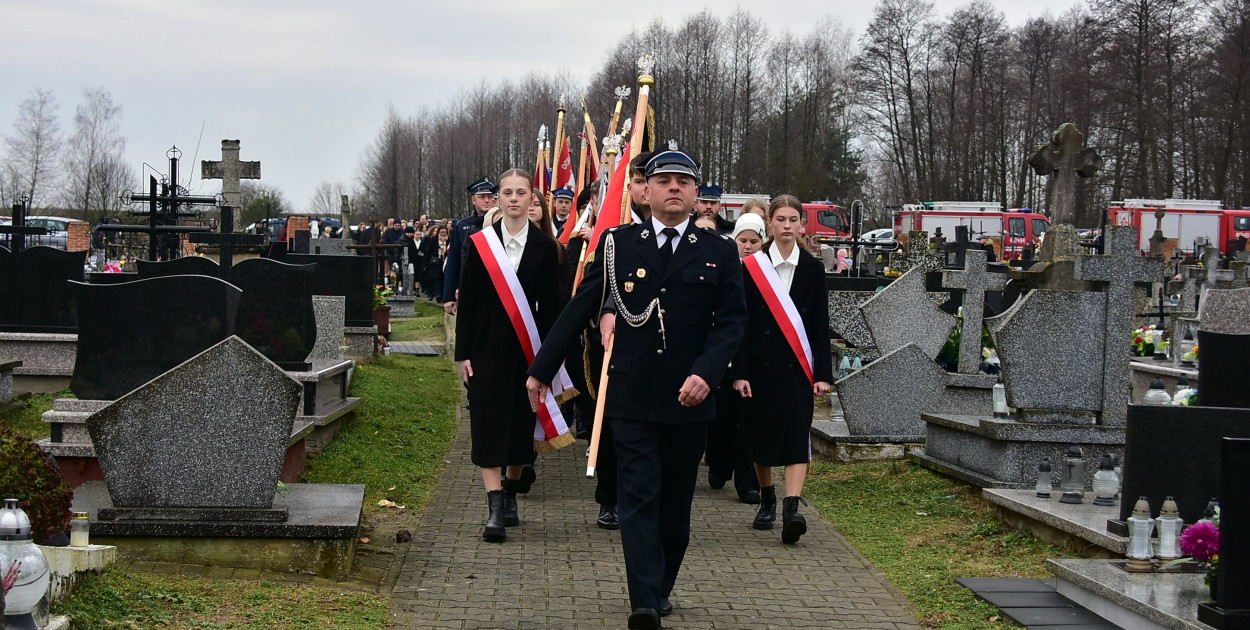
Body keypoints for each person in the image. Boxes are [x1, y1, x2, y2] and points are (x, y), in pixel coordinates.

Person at [527, 144, 746, 629]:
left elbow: (731, 323)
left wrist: (707, 374)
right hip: (632, 395)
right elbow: (580, 307)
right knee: (638, 498)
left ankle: (661, 584)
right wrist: (541, 370)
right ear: (644, 190)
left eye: (683, 182)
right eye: (663, 180)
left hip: (691, 399)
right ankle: (643, 600)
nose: (673, 188)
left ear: (696, 194)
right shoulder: (616, 244)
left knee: (675, 508)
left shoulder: (720, 251)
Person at [456, 169, 564, 543]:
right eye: (507, 192)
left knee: (520, 424)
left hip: (527, 350)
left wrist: (548, 362)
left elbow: (552, 309)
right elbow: (467, 301)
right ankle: (494, 507)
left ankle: (513, 490)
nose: (514, 199)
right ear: (498, 199)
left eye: (521, 193)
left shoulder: (546, 248)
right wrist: (462, 354)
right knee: (487, 423)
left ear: (533, 199)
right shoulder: (479, 243)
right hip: (485, 348)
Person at [732, 195, 833, 545]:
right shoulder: (752, 267)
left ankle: (792, 507)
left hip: (798, 369)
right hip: (760, 367)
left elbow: (821, 323)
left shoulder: (813, 268)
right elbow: (740, 323)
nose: (787, 225)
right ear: (769, 224)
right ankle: (767, 497)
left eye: (793, 219)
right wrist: (739, 372)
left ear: (801, 224)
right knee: (761, 436)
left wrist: (823, 373)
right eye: (780, 219)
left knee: (795, 435)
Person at [705, 213, 767, 505]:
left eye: (754, 241)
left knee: (750, 424)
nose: (748, 246)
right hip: (722, 358)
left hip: (751, 359)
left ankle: (748, 482)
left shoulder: (766, 274)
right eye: (743, 240)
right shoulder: (724, 267)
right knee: (721, 421)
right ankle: (718, 467)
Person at [443, 177, 498, 315]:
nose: (487, 200)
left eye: (490, 196)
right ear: (473, 200)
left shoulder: (503, 222)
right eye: (482, 197)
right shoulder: (463, 226)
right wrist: (449, 296)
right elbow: (453, 261)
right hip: (468, 288)